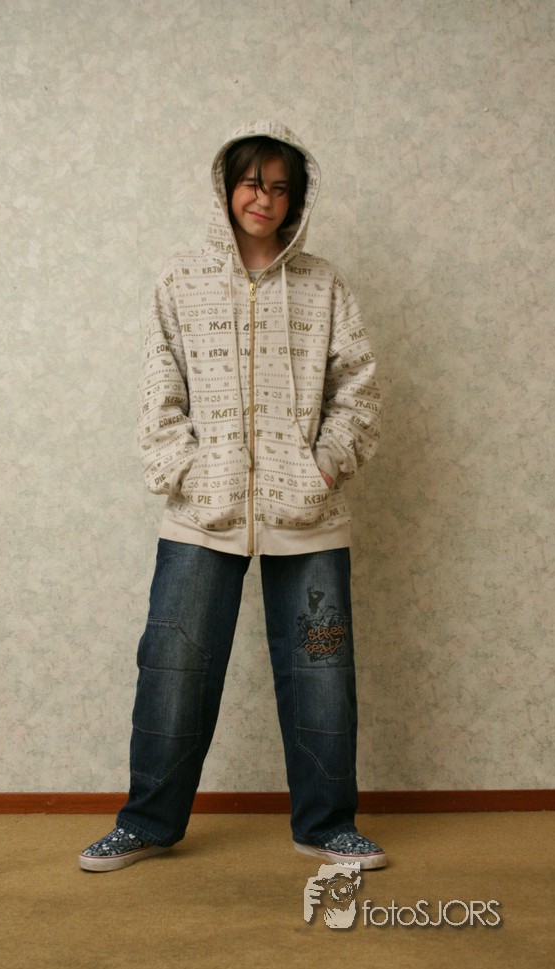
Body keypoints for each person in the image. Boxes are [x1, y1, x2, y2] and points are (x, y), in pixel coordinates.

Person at [79, 118, 385, 872]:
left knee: (320, 671)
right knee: (173, 669)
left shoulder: (323, 284)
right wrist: (184, 470)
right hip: (201, 511)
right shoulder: (181, 280)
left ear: (296, 199)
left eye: (280, 188)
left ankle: (326, 826)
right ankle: (148, 823)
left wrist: (322, 466)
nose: (264, 199)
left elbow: (359, 390)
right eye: (252, 183)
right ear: (226, 187)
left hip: (307, 513)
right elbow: (159, 388)